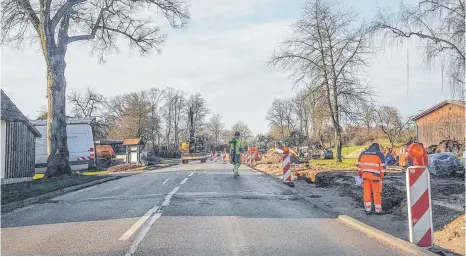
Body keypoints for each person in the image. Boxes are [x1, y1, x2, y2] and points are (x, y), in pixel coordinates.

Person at [357, 143, 386, 215]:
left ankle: (368, 209)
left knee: (367, 192)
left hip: (365, 176)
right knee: (376, 193)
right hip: (375, 177)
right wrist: (381, 177)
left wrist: (360, 175)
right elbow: (382, 168)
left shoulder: (363, 154)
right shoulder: (379, 154)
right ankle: (378, 210)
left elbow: (359, 167)